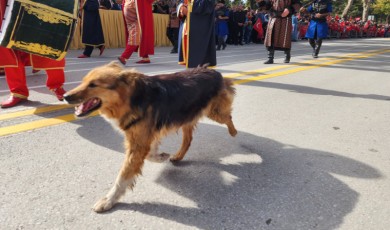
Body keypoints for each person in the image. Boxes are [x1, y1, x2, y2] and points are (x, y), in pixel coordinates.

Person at [256, 0, 301, 64]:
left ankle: (287, 56)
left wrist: (289, 9)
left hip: (285, 19)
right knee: (270, 38)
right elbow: (267, 6)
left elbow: (297, 4)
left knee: (285, 38)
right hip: (273, 17)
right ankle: (270, 58)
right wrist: (260, 2)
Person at [177, 0, 216, 68]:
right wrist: (181, 8)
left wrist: (189, 7)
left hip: (200, 26)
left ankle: (198, 67)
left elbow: (208, 4)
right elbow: (181, 2)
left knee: (199, 48)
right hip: (187, 24)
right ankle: (190, 66)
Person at [117, 0, 155, 65]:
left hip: (135, 14)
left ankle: (124, 57)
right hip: (131, 13)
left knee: (135, 36)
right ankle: (145, 57)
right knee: (138, 35)